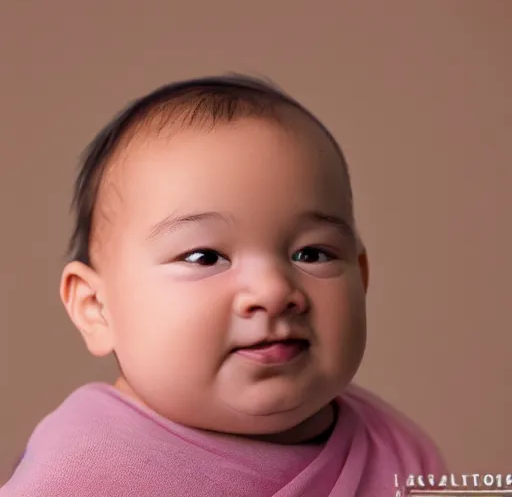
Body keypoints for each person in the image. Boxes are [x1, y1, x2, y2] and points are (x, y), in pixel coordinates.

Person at [1, 75, 446, 496]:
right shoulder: (84, 473)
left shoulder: (397, 450)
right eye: (205, 257)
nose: (273, 291)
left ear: (361, 279)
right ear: (97, 307)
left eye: (312, 254)